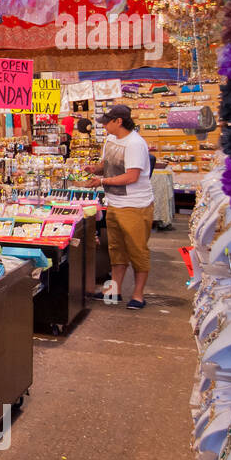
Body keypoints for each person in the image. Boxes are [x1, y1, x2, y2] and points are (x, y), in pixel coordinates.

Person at [83, 103, 154, 309]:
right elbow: (108, 165)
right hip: (115, 203)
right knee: (116, 250)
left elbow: (131, 176)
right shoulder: (111, 139)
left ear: (119, 121)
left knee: (138, 251)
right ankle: (114, 290)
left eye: (107, 122)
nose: (104, 125)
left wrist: (103, 181)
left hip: (135, 205)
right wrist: (95, 169)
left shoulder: (135, 144)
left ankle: (138, 295)